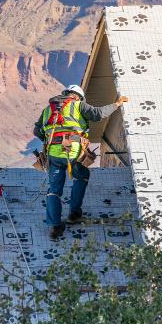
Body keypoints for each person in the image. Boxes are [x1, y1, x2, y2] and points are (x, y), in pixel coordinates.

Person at [34, 84, 127, 238]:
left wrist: (53, 138)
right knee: (81, 175)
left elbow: (37, 131)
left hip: (53, 153)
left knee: (54, 190)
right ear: (77, 96)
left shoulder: (48, 109)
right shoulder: (78, 104)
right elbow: (98, 114)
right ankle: (74, 213)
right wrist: (117, 104)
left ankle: (55, 227)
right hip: (73, 151)